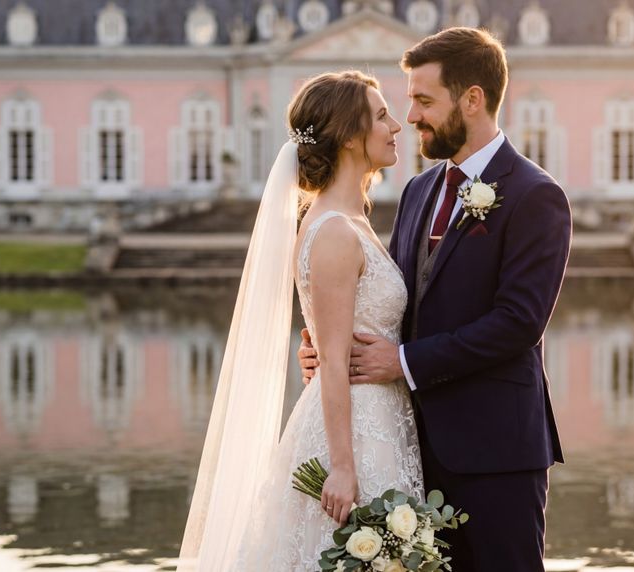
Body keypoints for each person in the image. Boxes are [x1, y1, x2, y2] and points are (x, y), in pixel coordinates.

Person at [300, 27, 573, 571]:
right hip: (408, 451)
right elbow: (398, 301)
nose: (411, 117)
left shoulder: (535, 195)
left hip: (497, 454)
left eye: (424, 101)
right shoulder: (418, 191)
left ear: (472, 99)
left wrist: (401, 361)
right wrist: (330, 350)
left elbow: (518, 323)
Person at [176, 70, 421, 571]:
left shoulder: (352, 221)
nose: (396, 126)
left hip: (380, 421)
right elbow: (331, 359)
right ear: (349, 136)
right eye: (381, 116)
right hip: (354, 435)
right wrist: (343, 466)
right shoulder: (333, 232)